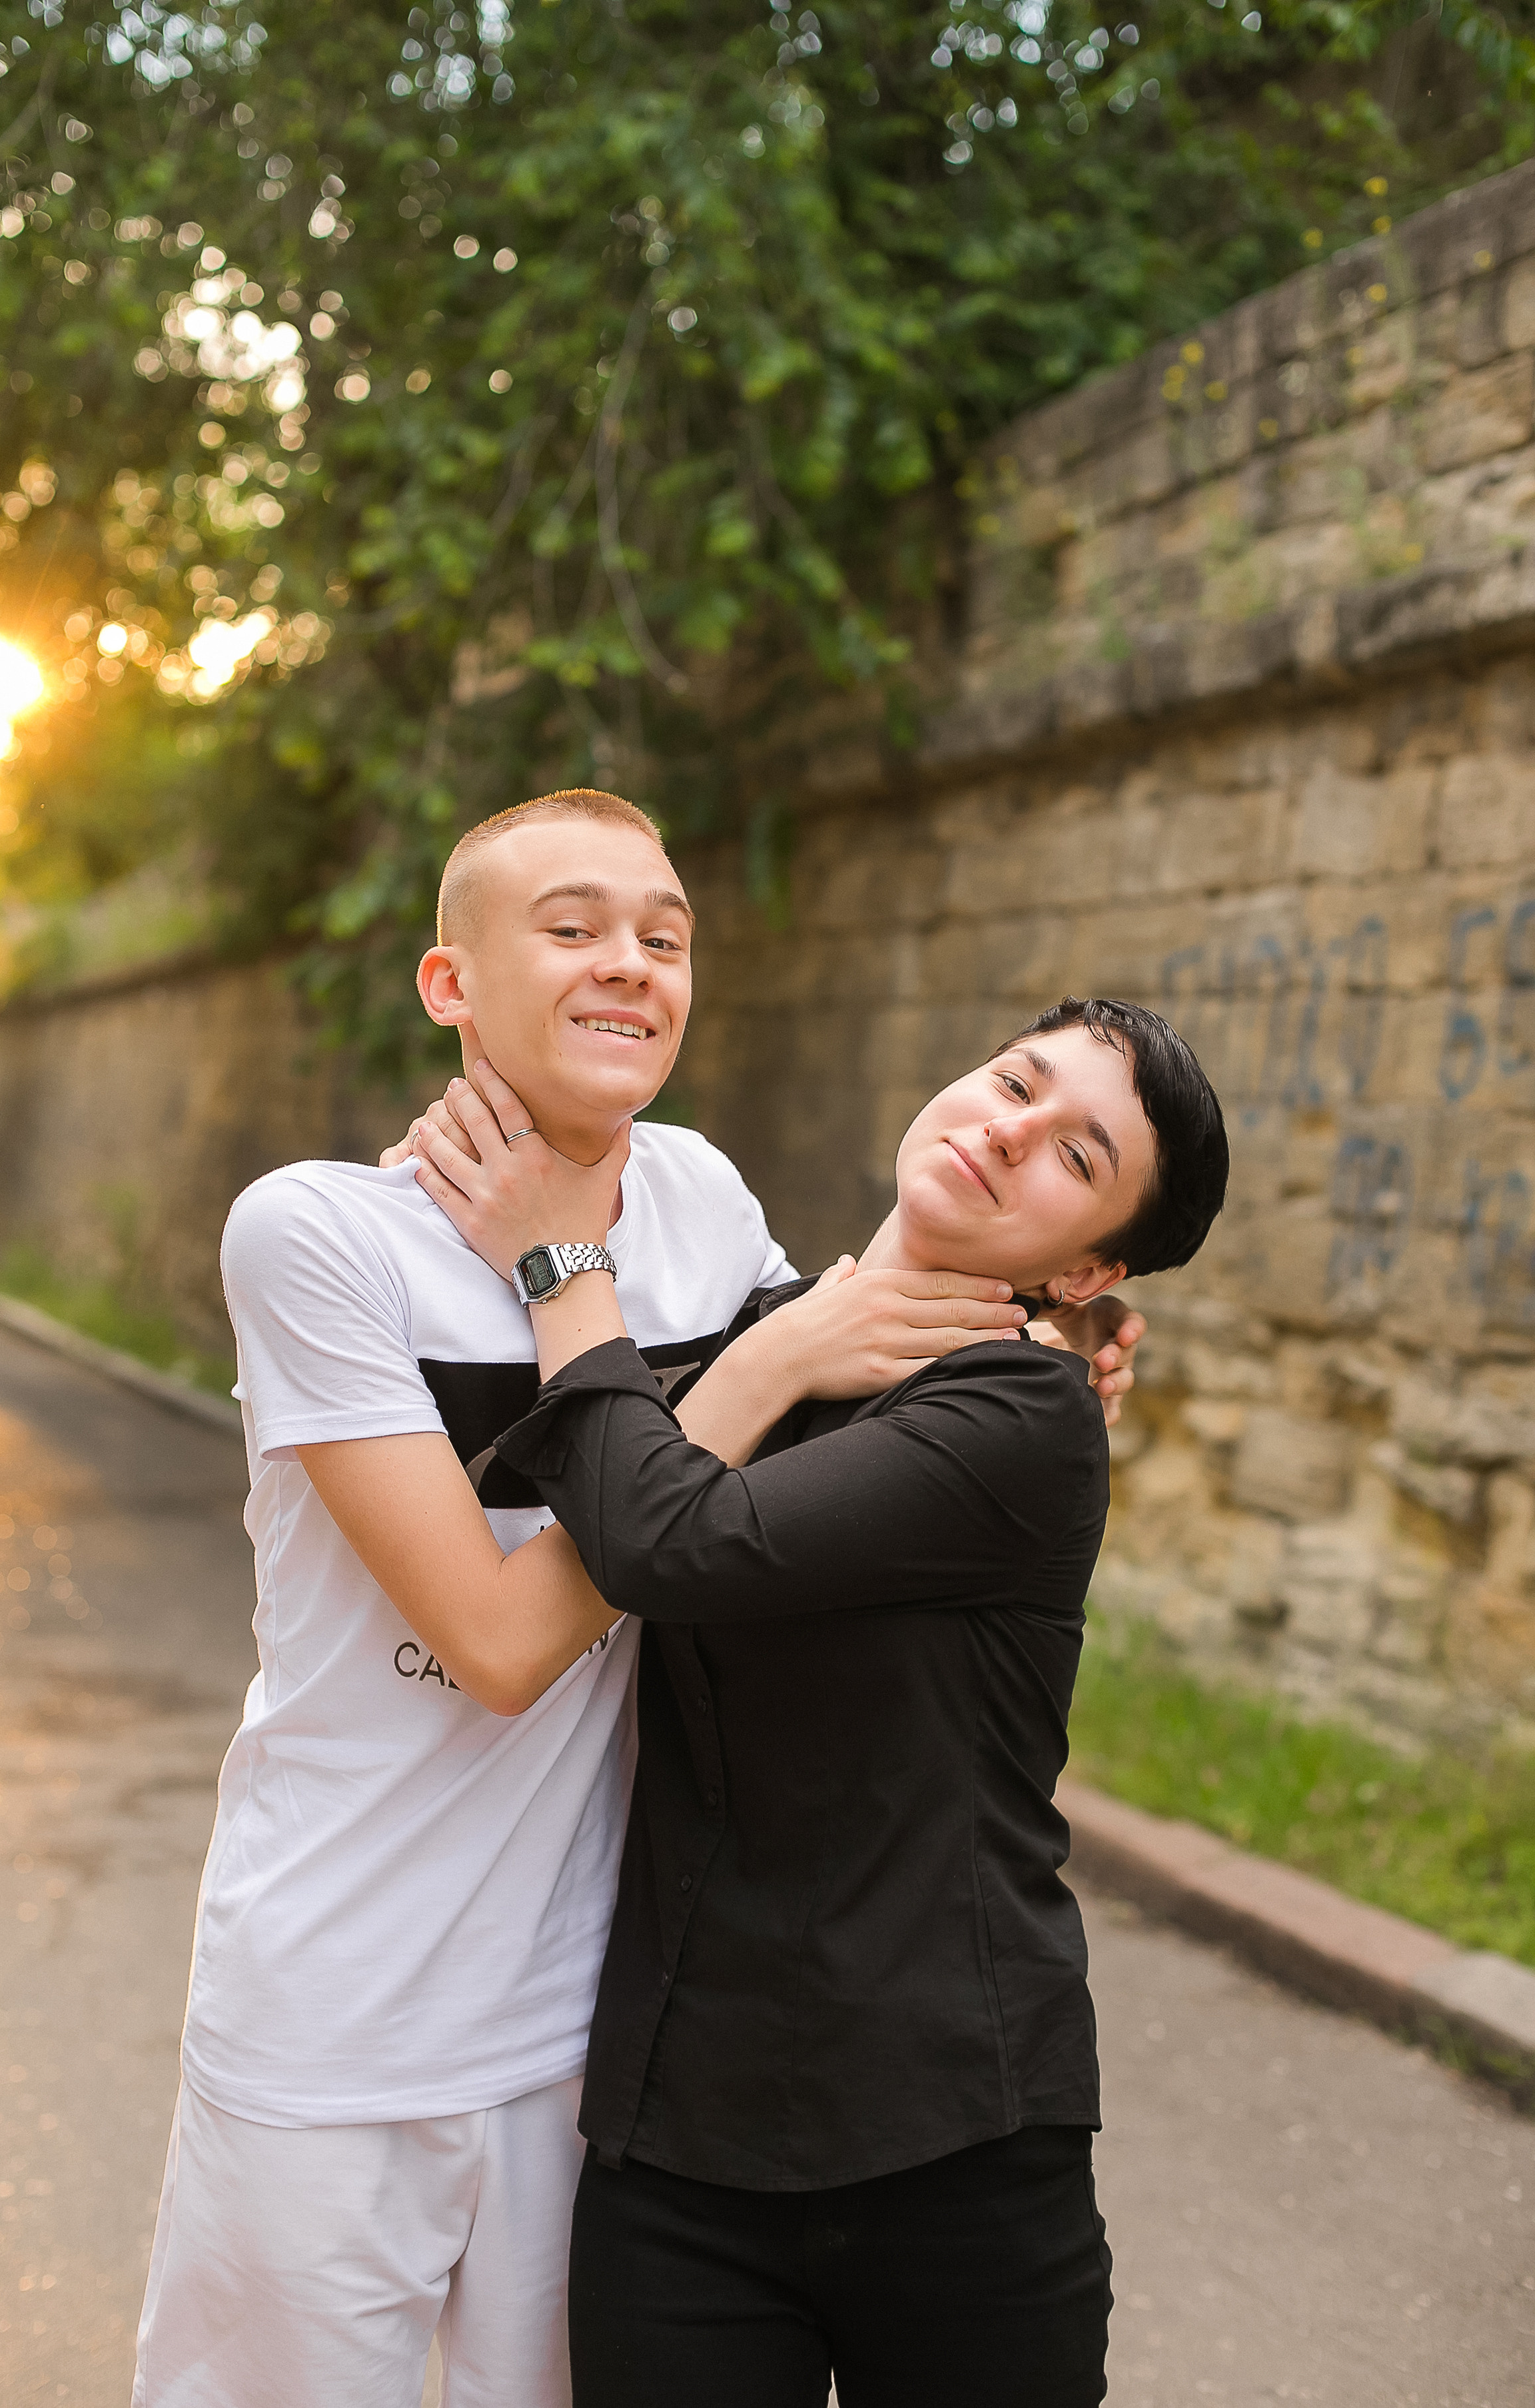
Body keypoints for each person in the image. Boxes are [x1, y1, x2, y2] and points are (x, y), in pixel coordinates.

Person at [133, 788, 1144, 2408]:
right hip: (334, 2015)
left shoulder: (695, 1201)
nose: (631, 963)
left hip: (584, 2048)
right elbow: (500, 1643)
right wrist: (743, 1353)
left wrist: (1046, 1359)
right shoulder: (315, 1234)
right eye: (573, 926)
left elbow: (867, 1420)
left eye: (663, 936)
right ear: (450, 984)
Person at [395, 992, 1229, 2407]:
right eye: (1012, 1078)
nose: (1008, 1128)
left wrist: (556, 1258)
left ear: (1088, 1265)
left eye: (1074, 1155)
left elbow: (665, 1541)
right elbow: (531, 1460)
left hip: (951, 2142)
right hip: (680, 2148)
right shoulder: (763, 1334)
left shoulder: (1022, 1417)